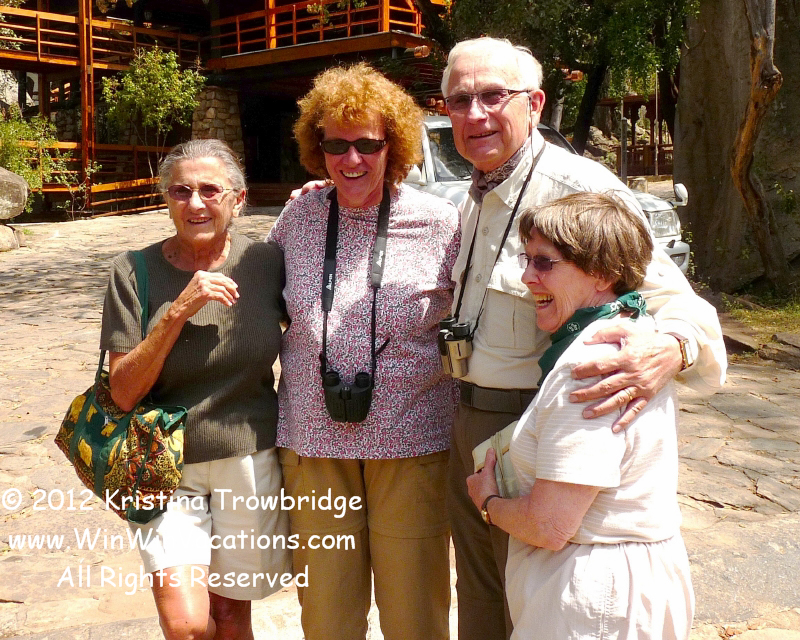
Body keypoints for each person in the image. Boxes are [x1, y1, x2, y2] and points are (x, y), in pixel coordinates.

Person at [441, 37, 726, 640]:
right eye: (460, 100)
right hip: (468, 421)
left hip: (541, 432)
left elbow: (674, 301)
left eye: (493, 96)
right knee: (482, 602)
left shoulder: (576, 187)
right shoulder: (476, 193)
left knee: (533, 607)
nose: (475, 114)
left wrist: (673, 348)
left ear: (535, 103)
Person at [267, 63, 459, 640]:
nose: (351, 159)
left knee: (415, 617)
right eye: (336, 145)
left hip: (412, 444)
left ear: (392, 145)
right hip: (314, 444)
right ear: (317, 147)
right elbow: (262, 305)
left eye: (367, 144)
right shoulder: (298, 216)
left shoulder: (440, 222)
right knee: (327, 616)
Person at [467, 192, 694, 640]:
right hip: (621, 587)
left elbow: (550, 525)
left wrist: (488, 502)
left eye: (545, 263)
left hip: (593, 599)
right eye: (527, 259)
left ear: (603, 274)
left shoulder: (592, 365)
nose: (527, 277)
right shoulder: (630, 333)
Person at [100, 139, 291, 640]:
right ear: (166, 199)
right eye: (181, 191)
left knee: (230, 617)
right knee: (185, 624)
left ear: (239, 199)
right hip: (163, 463)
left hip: (248, 458)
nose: (196, 203)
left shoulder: (267, 263)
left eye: (210, 190)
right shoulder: (133, 271)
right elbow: (122, 392)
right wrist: (178, 312)